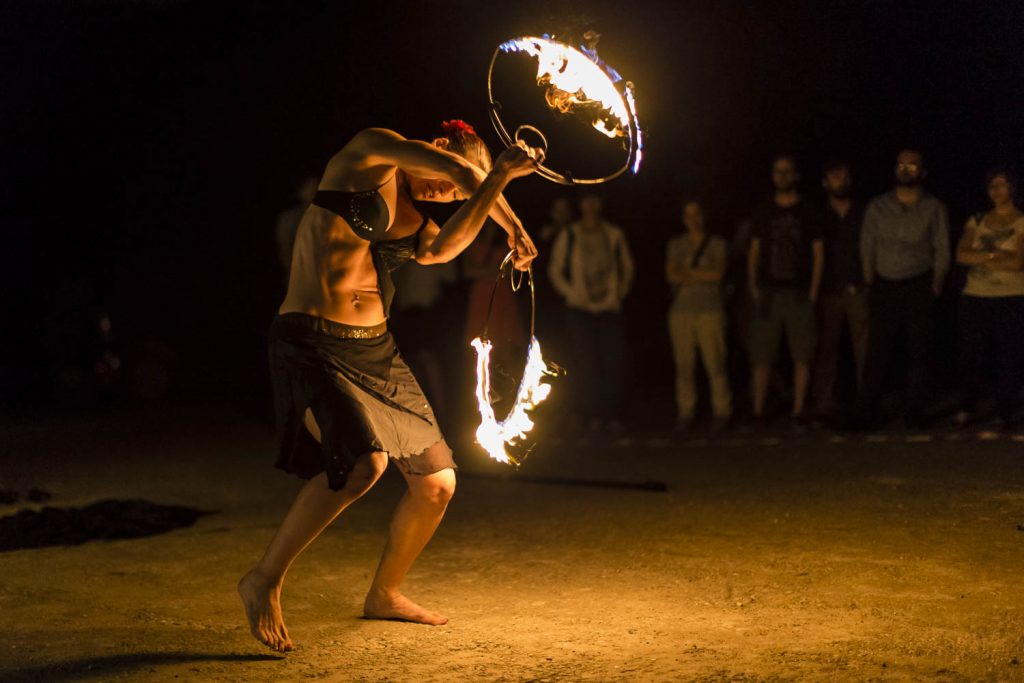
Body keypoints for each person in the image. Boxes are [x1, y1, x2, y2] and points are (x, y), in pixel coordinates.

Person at [239, 121, 541, 652]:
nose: (445, 196)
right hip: (312, 340)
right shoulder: (371, 150)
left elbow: (443, 248)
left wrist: (513, 228)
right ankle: (264, 578)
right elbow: (463, 174)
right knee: (365, 464)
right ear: (440, 149)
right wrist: (498, 187)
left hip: (376, 350)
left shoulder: (418, 218)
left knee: (438, 482)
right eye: (449, 190)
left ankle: (385, 593)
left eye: (453, 196)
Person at [855, 149, 950, 429]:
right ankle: (865, 413)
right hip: (885, 286)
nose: (906, 169)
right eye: (901, 165)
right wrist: (871, 282)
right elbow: (867, 246)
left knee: (919, 354)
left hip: (918, 285)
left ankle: (914, 414)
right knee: (877, 353)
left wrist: (935, 286)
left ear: (922, 172)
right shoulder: (878, 206)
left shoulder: (934, 208)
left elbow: (942, 249)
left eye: (912, 165)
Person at [747, 155, 824, 424]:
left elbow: (818, 252)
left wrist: (813, 292)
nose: (782, 176)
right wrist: (753, 286)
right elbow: (755, 249)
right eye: (778, 172)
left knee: (801, 354)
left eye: (787, 172)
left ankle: (798, 410)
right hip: (769, 292)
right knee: (762, 355)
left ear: (795, 176)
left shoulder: (808, 210)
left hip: (798, 293)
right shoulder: (764, 209)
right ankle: (758, 411)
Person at [548, 193, 634, 431]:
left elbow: (627, 267)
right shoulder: (571, 234)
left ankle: (612, 415)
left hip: (609, 308)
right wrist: (572, 293)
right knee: (585, 365)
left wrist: (617, 294)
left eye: (596, 201)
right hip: (579, 309)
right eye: (587, 201)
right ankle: (591, 416)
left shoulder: (613, 234)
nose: (591, 207)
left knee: (612, 362)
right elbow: (555, 269)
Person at [953, 170, 1024, 429]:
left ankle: (1004, 409)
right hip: (976, 294)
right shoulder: (977, 219)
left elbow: (1017, 263)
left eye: (1002, 185)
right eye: (992, 185)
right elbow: (961, 255)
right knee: (970, 354)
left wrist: (982, 255)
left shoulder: (1021, 221)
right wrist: (996, 257)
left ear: (1013, 188)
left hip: (1011, 295)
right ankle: (967, 405)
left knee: (1008, 354)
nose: (996, 190)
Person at [665, 200, 731, 431]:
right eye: (688, 214)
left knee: (715, 362)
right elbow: (672, 275)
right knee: (684, 365)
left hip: (710, 310)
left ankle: (722, 411)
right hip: (682, 311)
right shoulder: (676, 244)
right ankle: (686, 412)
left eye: (697, 214)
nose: (693, 219)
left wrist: (688, 273)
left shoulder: (717, 244)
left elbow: (718, 274)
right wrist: (702, 273)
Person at [811, 161, 869, 418]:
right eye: (834, 176)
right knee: (827, 350)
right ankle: (823, 403)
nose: (840, 180)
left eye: (844, 176)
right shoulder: (818, 214)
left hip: (858, 288)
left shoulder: (863, 211)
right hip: (829, 290)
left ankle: (866, 401)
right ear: (825, 182)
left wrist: (868, 281)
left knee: (864, 349)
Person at [275, 176, 319, 281]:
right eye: (309, 188)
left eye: (317, 188)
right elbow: (284, 247)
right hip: (298, 275)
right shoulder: (288, 218)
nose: (314, 191)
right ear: (300, 192)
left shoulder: (326, 218)